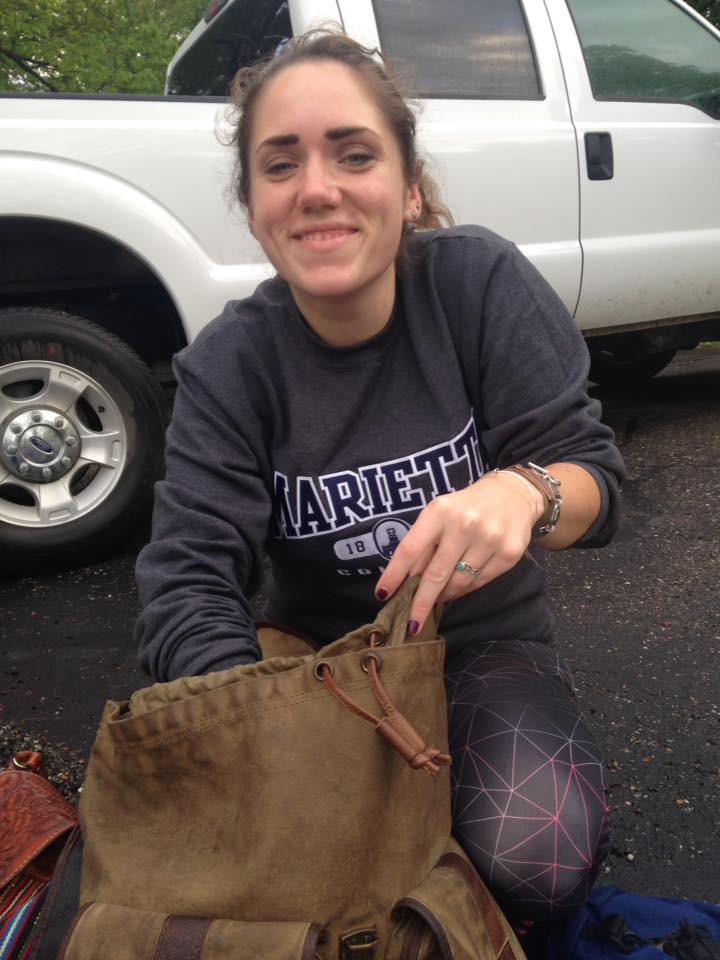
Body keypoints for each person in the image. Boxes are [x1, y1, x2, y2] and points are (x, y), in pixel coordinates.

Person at [134, 29, 625, 925]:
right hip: (319, 668)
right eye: (280, 165)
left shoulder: (476, 286)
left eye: (354, 154)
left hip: (480, 648)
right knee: (284, 875)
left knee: (537, 856)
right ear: (254, 207)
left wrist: (526, 491)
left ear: (409, 188)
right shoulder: (229, 366)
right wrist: (262, 730)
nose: (317, 187)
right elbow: (187, 581)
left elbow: (596, 484)